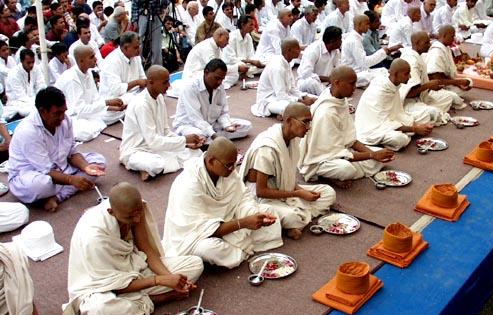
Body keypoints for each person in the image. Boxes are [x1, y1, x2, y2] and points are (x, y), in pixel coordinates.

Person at [64, 183, 204, 315]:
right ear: (111, 212)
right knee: (101, 311)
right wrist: (160, 280)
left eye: (139, 214)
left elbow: (146, 248)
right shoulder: (94, 239)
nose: (137, 219)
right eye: (130, 217)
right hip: (100, 286)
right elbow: (113, 285)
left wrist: (173, 280)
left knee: (195, 264)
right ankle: (156, 300)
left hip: (135, 266)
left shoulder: (136, 209)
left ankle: (137, 306)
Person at [163, 137, 283, 269]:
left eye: (234, 163)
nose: (232, 169)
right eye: (229, 165)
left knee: (268, 210)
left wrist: (254, 214)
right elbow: (201, 230)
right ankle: (242, 250)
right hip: (196, 235)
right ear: (211, 161)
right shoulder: (189, 185)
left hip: (227, 221)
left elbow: (243, 198)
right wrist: (243, 223)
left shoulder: (227, 171)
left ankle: (241, 245)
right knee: (209, 249)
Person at [240, 103, 335, 240]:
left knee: (328, 192)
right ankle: (296, 219)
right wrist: (297, 193)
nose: (308, 127)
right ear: (289, 121)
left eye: (310, 122)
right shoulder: (267, 148)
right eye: (305, 122)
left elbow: (287, 178)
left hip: (282, 190)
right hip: (261, 199)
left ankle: (295, 221)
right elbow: (261, 191)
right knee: (293, 216)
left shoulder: (293, 139)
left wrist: (301, 191)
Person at [8, 87, 106, 212]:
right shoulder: (28, 131)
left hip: (61, 168)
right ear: (43, 112)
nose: (62, 117)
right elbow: (46, 170)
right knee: (42, 185)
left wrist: (86, 167)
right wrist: (71, 180)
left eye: (64, 112)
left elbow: (72, 152)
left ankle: (57, 197)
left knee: (99, 162)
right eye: (57, 113)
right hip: (31, 175)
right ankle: (63, 188)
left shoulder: (65, 120)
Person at [298, 66, 395, 188]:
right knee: (346, 169)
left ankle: (344, 172)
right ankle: (326, 176)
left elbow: (350, 139)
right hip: (320, 160)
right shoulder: (326, 113)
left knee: (379, 157)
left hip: (341, 151)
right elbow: (332, 153)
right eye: (351, 84)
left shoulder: (340, 100)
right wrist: (371, 156)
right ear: (337, 83)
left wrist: (374, 154)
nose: (355, 87)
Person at [120, 66, 203, 181]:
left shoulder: (159, 97)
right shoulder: (141, 105)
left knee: (196, 153)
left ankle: (150, 170)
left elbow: (165, 131)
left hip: (157, 146)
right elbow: (153, 142)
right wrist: (184, 140)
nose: (169, 85)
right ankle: (134, 165)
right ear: (151, 82)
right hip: (138, 150)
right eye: (165, 82)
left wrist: (185, 144)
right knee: (155, 164)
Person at [355, 59, 433, 151]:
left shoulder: (393, 85)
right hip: (372, 128)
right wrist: (415, 129)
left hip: (391, 121)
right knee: (400, 139)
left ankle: (406, 132)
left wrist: (414, 126)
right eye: (406, 74)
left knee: (425, 116)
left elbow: (397, 113)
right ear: (395, 74)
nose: (410, 76)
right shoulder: (380, 91)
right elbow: (383, 122)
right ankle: (394, 138)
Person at [55, 46, 125, 142]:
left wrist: (112, 108)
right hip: (72, 115)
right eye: (92, 57)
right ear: (81, 61)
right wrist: (107, 103)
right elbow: (79, 110)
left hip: (89, 113)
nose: (96, 59)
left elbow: (95, 100)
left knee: (121, 110)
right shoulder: (72, 79)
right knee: (85, 133)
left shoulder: (88, 73)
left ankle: (97, 125)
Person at [174, 59, 252, 144]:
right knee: (200, 135)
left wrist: (227, 126)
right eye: (217, 78)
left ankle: (213, 139)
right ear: (206, 72)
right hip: (190, 126)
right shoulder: (190, 88)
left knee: (246, 126)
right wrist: (214, 135)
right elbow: (196, 120)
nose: (219, 82)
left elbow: (223, 112)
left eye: (222, 79)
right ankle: (212, 139)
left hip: (212, 124)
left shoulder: (220, 86)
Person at [401, 31, 463, 124]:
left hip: (422, 97)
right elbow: (408, 94)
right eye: (426, 43)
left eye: (429, 42)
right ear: (417, 43)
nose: (429, 45)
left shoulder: (420, 55)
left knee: (449, 97)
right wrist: (428, 86)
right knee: (432, 113)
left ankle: (430, 111)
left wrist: (431, 86)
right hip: (409, 102)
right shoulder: (412, 61)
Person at [252, 38, 315, 117]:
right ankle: (282, 113)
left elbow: (292, 88)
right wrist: (301, 101)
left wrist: (304, 96)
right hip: (269, 101)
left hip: (285, 97)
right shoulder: (277, 67)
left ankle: (283, 114)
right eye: (297, 48)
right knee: (297, 108)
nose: (300, 50)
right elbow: (281, 96)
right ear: (289, 50)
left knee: (315, 99)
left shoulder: (287, 63)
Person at [342, 14, 400, 88]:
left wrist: (383, 52)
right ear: (359, 25)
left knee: (384, 71)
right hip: (354, 73)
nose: (369, 26)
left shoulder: (357, 38)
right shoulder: (354, 41)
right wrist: (383, 52)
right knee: (385, 78)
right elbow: (364, 63)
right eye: (367, 24)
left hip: (361, 70)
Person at [99, 31, 147, 105]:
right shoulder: (112, 61)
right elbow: (117, 90)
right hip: (116, 100)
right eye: (136, 47)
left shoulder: (136, 57)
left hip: (134, 94)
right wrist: (137, 82)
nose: (139, 50)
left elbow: (143, 78)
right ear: (125, 48)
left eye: (139, 46)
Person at [425, 25, 471, 99]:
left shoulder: (446, 48)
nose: (453, 39)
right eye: (452, 37)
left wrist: (458, 84)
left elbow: (446, 72)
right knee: (453, 97)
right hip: (435, 87)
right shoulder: (436, 51)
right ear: (444, 36)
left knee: (469, 82)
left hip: (445, 83)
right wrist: (457, 82)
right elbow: (436, 79)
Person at [297, 25, 342, 95]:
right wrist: (327, 79)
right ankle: (329, 97)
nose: (341, 42)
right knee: (311, 82)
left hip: (327, 83)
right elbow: (306, 74)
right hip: (309, 82)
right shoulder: (313, 50)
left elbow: (337, 68)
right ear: (332, 41)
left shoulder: (335, 51)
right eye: (340, 39)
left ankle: (330, 95)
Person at [5, 49, 45, 118]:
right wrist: (38, 102)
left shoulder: (36, 68)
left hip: (34, 100)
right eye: (28, 62)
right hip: (17, 104)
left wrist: (41, 99)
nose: (31, 65)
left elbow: (41, 86)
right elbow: (21, 96)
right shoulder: (13, 74)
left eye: (33, 62)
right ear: (21, 61)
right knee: (34, 111)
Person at [131, 0, 165, 66]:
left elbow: (165, 3)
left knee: (157, 44)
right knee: (139, 41)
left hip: (156, 15)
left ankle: (157, 67)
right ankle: (138, 66)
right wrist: (134, 20)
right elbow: (134, 5)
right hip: (142, 15)